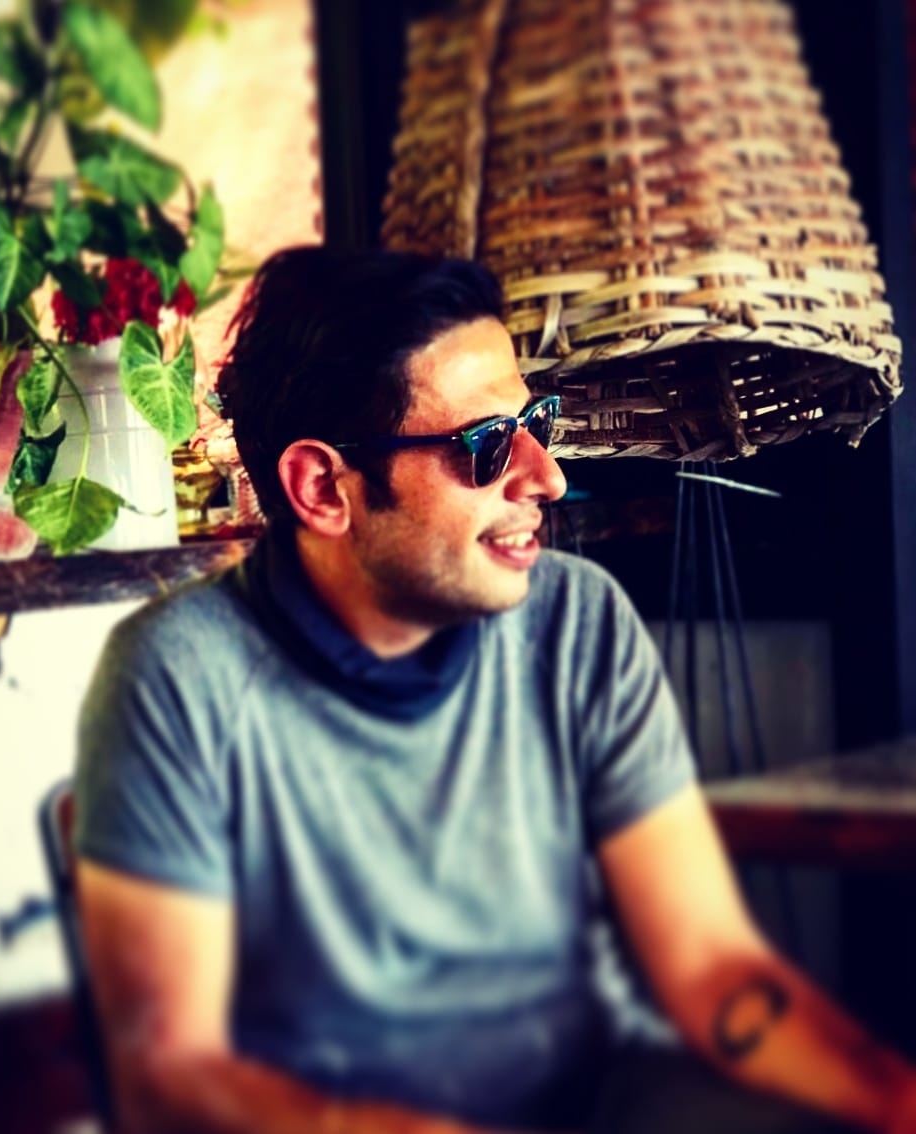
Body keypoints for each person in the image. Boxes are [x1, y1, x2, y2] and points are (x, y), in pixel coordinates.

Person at [73, 246, 916, 1134]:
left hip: (604, 1097)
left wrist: (889, 1097)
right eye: (482, 445)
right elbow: (170, 1074)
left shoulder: (576, 621)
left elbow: (707, 964)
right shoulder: (178, 676)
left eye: (532, 422)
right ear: (323, 488)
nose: (547, 476)